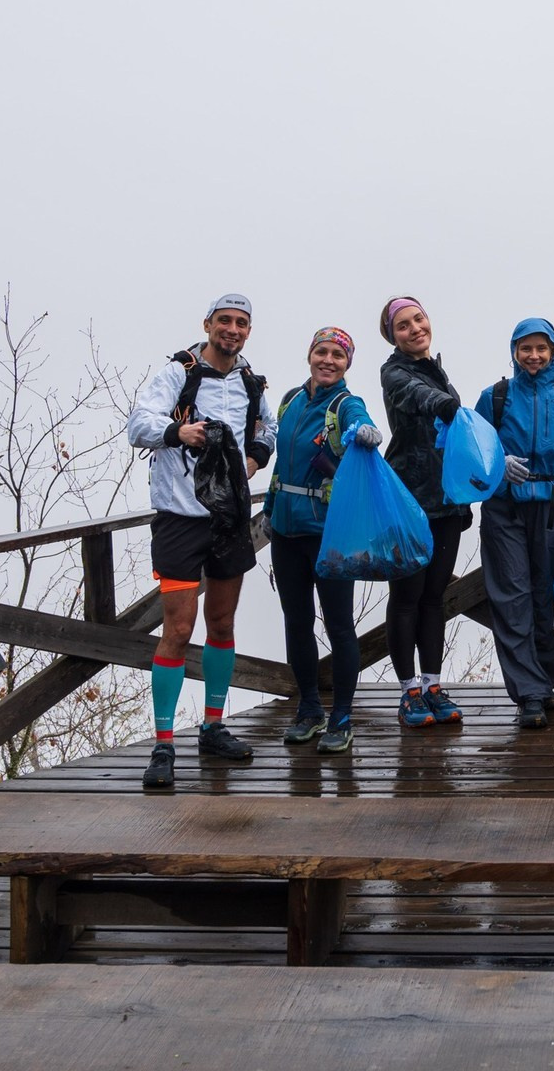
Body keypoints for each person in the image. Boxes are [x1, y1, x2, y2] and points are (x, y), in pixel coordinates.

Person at [126, 293, 277, 789]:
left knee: (223, 621)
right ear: (208, 324)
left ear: (248, 331)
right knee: (177, 628)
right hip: (180, 517)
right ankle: (164, 743)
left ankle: (213, 726)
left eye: (241, 324)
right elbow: (138, 426)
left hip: (229, 517)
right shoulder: (179, 372)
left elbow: (267, 427)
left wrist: (255, 457)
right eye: (225, 321)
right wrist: (178, 432)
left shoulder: (251, 380)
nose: (232, 330)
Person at [476, 318, 554, 729]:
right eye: (525, 348)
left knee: (543, 598)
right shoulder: (494, 397)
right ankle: (528, 693)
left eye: (541, 348)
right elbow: (472, 451)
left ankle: (544, 684)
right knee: (511, 598)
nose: (533, 356)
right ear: (513, 351)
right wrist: (496, 467)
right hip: (504, 509)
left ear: (553, 351)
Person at [265, 327, 380, 755]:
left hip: (330, 533)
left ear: (348, 363)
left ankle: (342, 717)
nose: (328, 360)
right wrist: (269, 512)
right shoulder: (292, 400)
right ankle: (309, 709)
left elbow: (362, 423)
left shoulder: (346, 404)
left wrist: (366, 433)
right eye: (321, 351)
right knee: (296, 623)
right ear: (309, 354)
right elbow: (281, 462)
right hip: (285, 531)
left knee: (339, 625)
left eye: (338, 355)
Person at [379, 296, 473, 729]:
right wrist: (449, 406)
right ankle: (408, 692)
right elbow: (418, 397)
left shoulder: (440, 372)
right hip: (409, 501)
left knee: (435, 598)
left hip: (447, 503)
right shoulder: (395, 372)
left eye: (419, 319)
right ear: (392, 335)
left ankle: (433, 686)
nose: (414, 328)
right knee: (406, 598)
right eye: (403, 325)